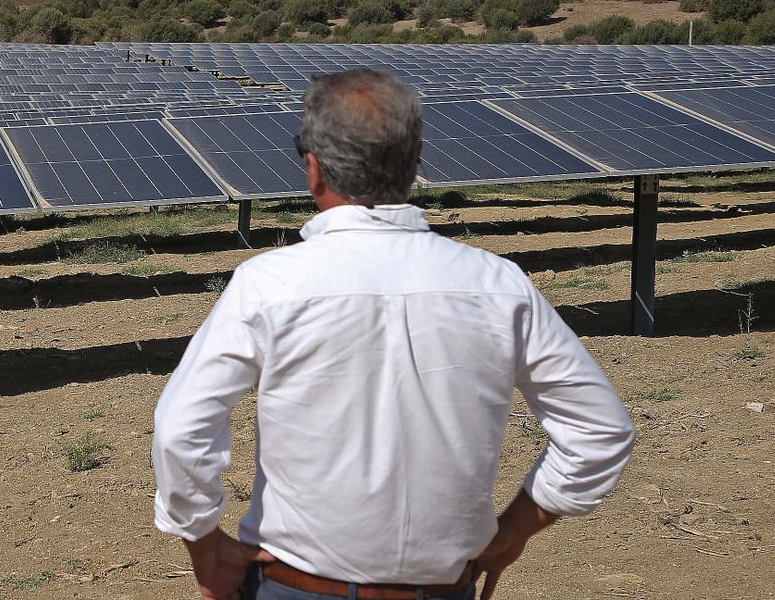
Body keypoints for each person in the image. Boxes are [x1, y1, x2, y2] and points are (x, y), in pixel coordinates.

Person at [152, 68, 635, 600]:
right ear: (414, 159)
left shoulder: (268, 285)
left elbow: (181, 429)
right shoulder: (499, 286)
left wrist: (203, 542)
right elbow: (600, 431)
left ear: (313, 168)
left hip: (295, 588)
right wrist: (515, 528)